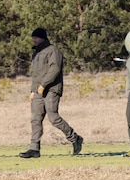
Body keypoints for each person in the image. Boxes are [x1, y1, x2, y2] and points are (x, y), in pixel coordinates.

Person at [19, 27, 83, 158]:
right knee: (35, 119)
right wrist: (33, 90)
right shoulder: (35, 53)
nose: (34, 40)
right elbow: (36, 75)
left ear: (42, 37)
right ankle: (34, 149)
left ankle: (75, 138)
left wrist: (43, 85)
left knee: (53, 118)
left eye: (36, 37)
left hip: (51, 90)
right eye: (33, 38)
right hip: (38, 91)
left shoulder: (53, 51)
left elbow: (55, 70)